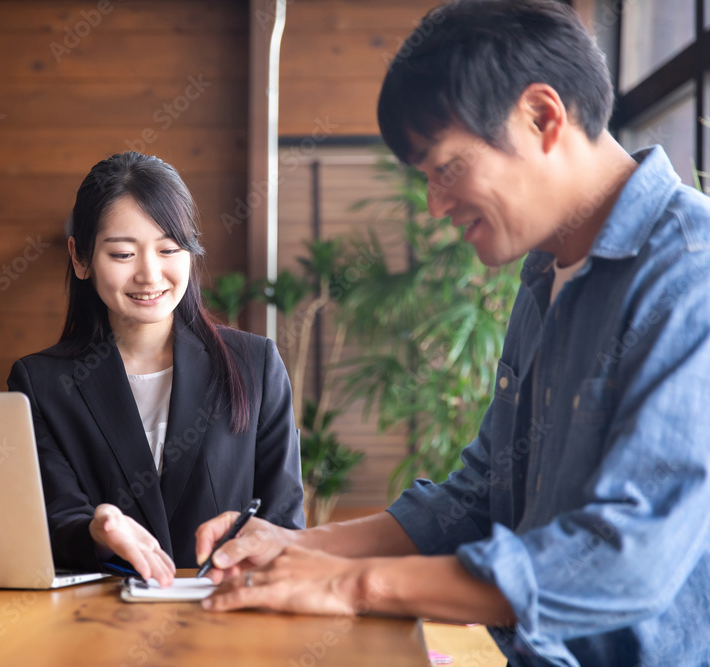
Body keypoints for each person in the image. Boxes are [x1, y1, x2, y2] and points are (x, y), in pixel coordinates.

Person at [194, 1, 710, 665]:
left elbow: (623, 559)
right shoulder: (544, 276)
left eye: (445, 169)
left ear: (542, 116)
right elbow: (477, 500)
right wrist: (299, 546)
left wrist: (354, 585)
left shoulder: (690, 272)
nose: (435, 207)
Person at [7, 151, 305, 586]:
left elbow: (282, 523)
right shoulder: (41, 383)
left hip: (224, 620)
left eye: (169, 249)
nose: (150, 274)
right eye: (124, 254)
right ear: (80, 257)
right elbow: (51, 522)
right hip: (97, 625)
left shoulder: (254, 365)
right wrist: (98, 530)